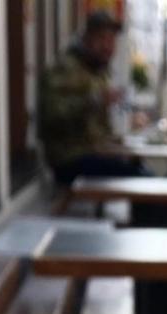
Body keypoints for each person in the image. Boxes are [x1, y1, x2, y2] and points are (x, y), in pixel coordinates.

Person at [38, 11, 146, 186]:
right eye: (102, 39)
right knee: (143, 182)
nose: (108, 46)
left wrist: (119, 142)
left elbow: (99, 130)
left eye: (112, 41)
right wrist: (95, 101)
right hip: (69, 160)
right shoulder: (66, 69)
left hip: (92, 154)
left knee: (141, 170)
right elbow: (53, 116)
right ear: (87, 39)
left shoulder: (97, 72)